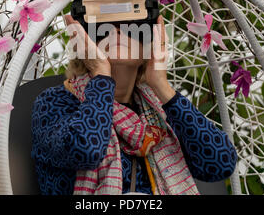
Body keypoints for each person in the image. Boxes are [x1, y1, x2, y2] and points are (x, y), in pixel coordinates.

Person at [31, 11, 237, 195]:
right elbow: (86, 149)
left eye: (132, 27)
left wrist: (161, 85)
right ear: (85, 44)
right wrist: (102, 75)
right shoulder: (55, 101)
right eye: (103, 28)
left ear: (149, 47)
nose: (118, 31)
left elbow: (220, 163)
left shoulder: (160, 109)